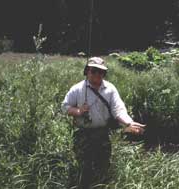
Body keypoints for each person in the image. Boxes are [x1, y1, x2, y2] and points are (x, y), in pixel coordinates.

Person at [61, 57, 145, 188]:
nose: (97, 74)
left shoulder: (110, 89)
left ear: (104, 73)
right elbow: (65, 107)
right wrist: (78, 111)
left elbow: (119, 109)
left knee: (103, 165)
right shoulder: (77, 89)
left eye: (101, 72)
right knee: (83, 168)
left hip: (102, 134)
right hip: (82, 134)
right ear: (87, 71)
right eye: (94, 71)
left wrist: (129, 123)